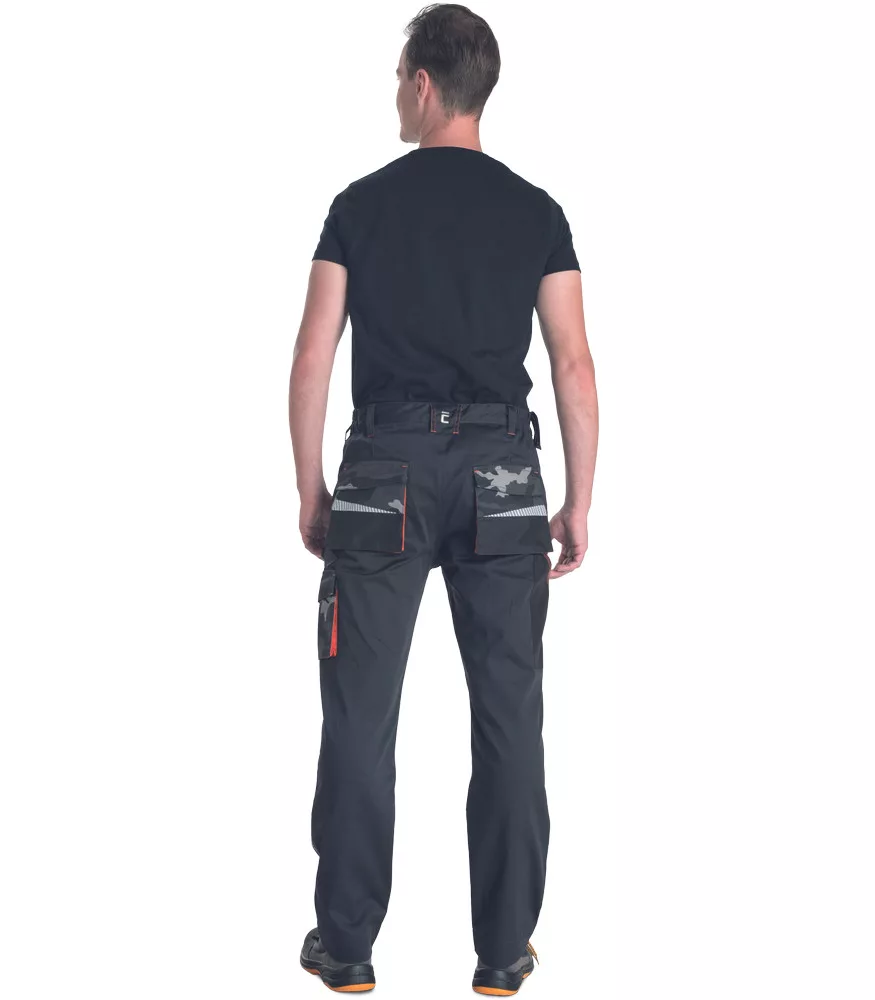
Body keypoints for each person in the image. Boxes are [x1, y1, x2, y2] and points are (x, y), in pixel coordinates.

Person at [290, 4, 598, 994]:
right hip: (504, 477)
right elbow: (573, 363)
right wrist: (578, 499)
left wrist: (311, 487)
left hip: (381, 473)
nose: (396, 94)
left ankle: (346, 949)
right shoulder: (537, 212)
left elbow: (313, 354)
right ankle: (502, 954)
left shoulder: (359, 206)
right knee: (508, 718)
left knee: (359, 717)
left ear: (424, 84)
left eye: (398, 79)